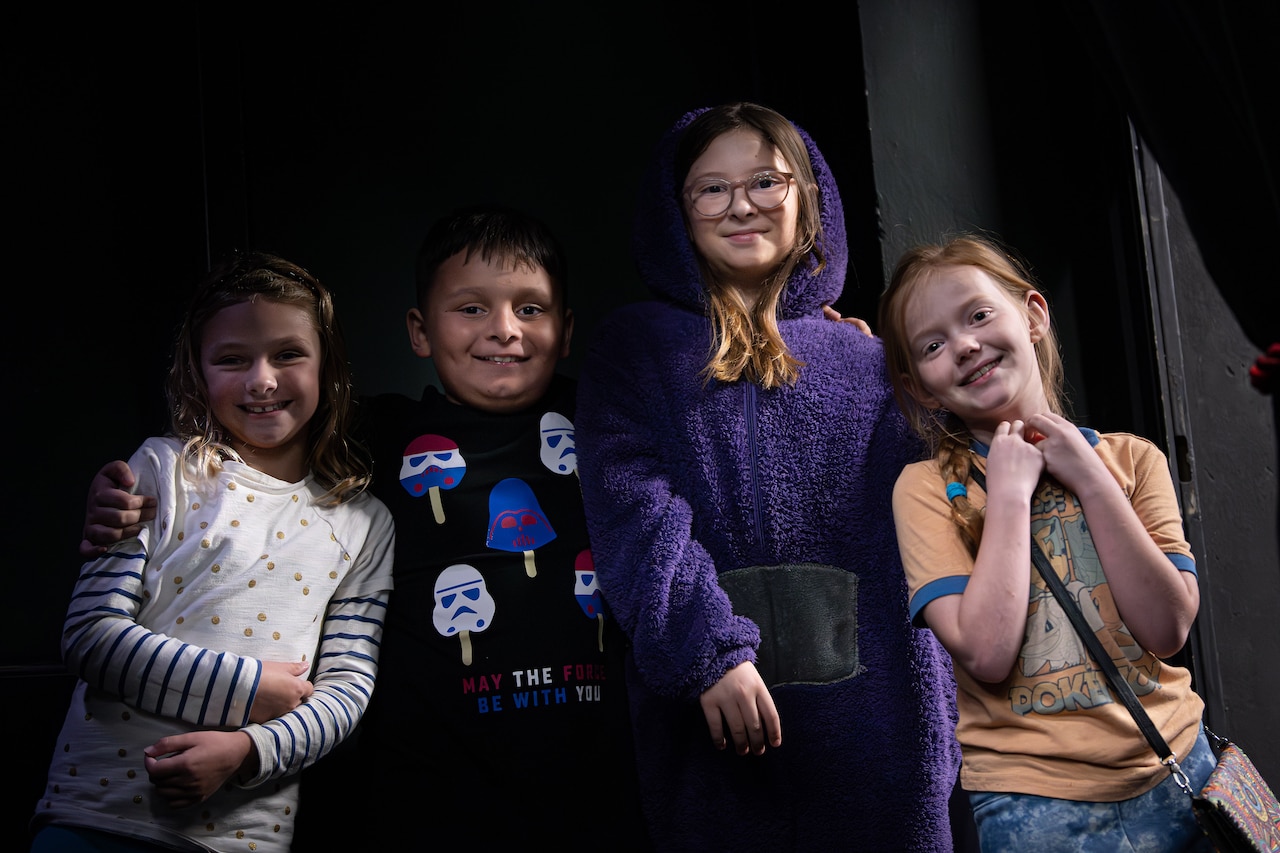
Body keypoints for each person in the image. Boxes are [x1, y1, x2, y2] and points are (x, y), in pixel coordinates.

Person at [78, 206, 651, 848]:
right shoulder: (371, 438)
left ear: (566, 328)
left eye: (531, 309)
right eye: (470, 308)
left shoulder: (608, 428)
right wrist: (128, 498)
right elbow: (250, 450)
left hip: (593, 782)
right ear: (419, 329)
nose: (503, 330)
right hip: (430, 793)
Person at [574, 101, 963, 851]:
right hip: (713, 718)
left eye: (765, 181)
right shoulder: (634, 348)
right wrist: (705, 650)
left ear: (809, 197)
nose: (740, 204)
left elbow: (931, 521)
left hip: (880, 722)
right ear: (674, 211)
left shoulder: (871, 360)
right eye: (710, 189)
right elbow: (635, 510)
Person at [30, 251, 396, 853]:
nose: (261, 380)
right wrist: (246, 688)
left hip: (238, 836)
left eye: (287, 354)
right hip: (94, 816)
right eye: (232, 359)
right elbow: (90, 634)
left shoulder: (362, 523)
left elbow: (347, 690)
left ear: (326, 366)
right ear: (197, 372)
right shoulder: (161, 471)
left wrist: (248, 750)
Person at [877, 234, 1215, 851]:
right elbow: (986, 653)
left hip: (1177, 771)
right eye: (933, 345)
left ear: (1033, 315)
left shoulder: (1133, 460)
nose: (966, 344)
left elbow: (1167, 628)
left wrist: (1088, 473)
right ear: (921, 387)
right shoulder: (926, 490)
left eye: (978, 315)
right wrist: (1006, 494)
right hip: (1032, 805)